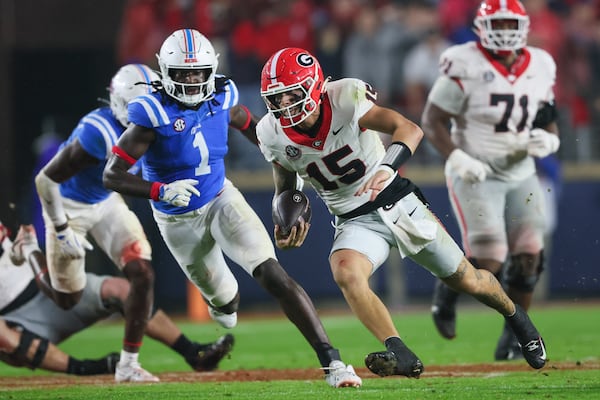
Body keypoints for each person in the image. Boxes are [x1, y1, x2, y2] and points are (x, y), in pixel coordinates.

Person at [255, 46, 548, 379]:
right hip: (353, 218)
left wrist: (385, 167)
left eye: (290, 93)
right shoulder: (270, 132)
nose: (284, 104)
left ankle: (516, 316)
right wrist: (284, 221)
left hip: (394, 199)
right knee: (346, 272)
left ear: (314, 85)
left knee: (470, 280)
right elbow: (286, 186)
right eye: (276, 97)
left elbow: (408, 128)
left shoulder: (345, 97)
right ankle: (400, 351)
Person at [102, 29, 362, 389]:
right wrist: (160, 189)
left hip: (221, 197)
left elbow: (253, 128)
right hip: (176, 219)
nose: (193, 80)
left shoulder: (223, 95)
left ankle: (333, 363)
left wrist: (288, 156)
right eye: (183, 73)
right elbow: (111, 175)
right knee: (226, 302)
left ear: (211, 70)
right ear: (166, 72)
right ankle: (221, 305)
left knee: (272, 274)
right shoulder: (151, 112)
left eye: (198, 72)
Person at [420, 0, 559, 361]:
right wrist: (457, 156)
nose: (505, 32)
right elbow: (432, 120)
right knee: (489, 259)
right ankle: (447, 293)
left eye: (511, 24)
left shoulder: (542, 64)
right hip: (475, 171)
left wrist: (550, 137)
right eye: (497, 23)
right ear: (481, 26)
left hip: (520, 170)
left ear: (524, 27)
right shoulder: (464, 61)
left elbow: (547, 117)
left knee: (530, 257)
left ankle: (514, 337)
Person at [34, 63, 165, 382]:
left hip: (105, 202)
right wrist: (62, 229)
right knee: (68, 299)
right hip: (69, 205)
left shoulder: (155, 123)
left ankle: (128, 365)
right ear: (121, 104)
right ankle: (30, 257)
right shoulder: (98, 133)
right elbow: (45, 180)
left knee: (142, 272)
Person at [1, 222, 234, 376]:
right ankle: (86, 369)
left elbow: (16, 258)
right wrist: (30, 249)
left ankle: (193, 353)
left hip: (50, 292)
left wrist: (22, 248)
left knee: (123, 290)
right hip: (16, 320)